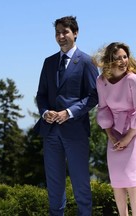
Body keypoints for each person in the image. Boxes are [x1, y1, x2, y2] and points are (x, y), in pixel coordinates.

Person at [33, 16, 98, 216]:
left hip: (75, 132)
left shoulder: (87, 62)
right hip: (51, 132)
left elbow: (94, 95)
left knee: (80, 182)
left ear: (75, 33)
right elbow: (41, 95)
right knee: (54, 184)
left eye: (65, 32)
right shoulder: (49, 62)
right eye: (57, 33)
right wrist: (45, 112)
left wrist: (69, 113)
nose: (61, 36)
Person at [94, 42, 136, 216]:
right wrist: (110, 134)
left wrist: (127, 138)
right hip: (116, 132)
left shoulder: (133, 79)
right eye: (118, 58)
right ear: (109, 60)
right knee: (117, 180)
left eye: (125, 57)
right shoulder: (101, 81)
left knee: (132, 180)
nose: (123, 61)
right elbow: (103, 109)